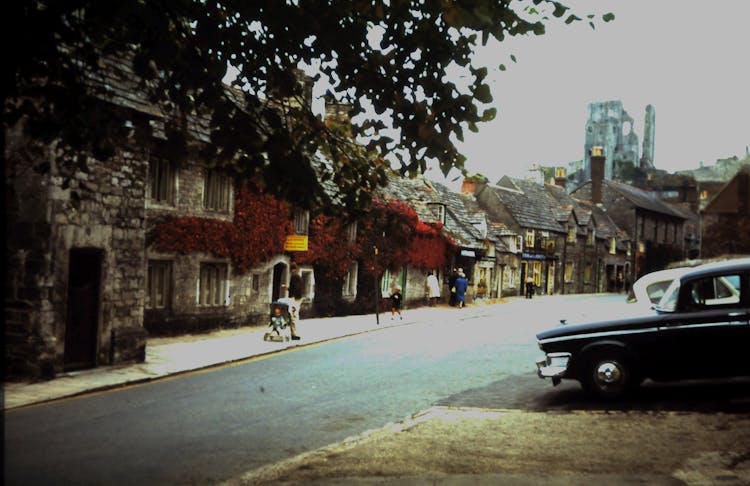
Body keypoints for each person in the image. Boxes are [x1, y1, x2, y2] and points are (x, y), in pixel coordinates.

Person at [285, 262, 303, 340]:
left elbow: (296, 288)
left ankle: (294, 334)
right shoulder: (298, 276)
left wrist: (292, 296)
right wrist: (288, 288)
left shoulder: (294, 276)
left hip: (295, 299)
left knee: (293, 316)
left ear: (291, 269)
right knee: (295, 316)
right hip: (297, 298)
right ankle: (294, 333)